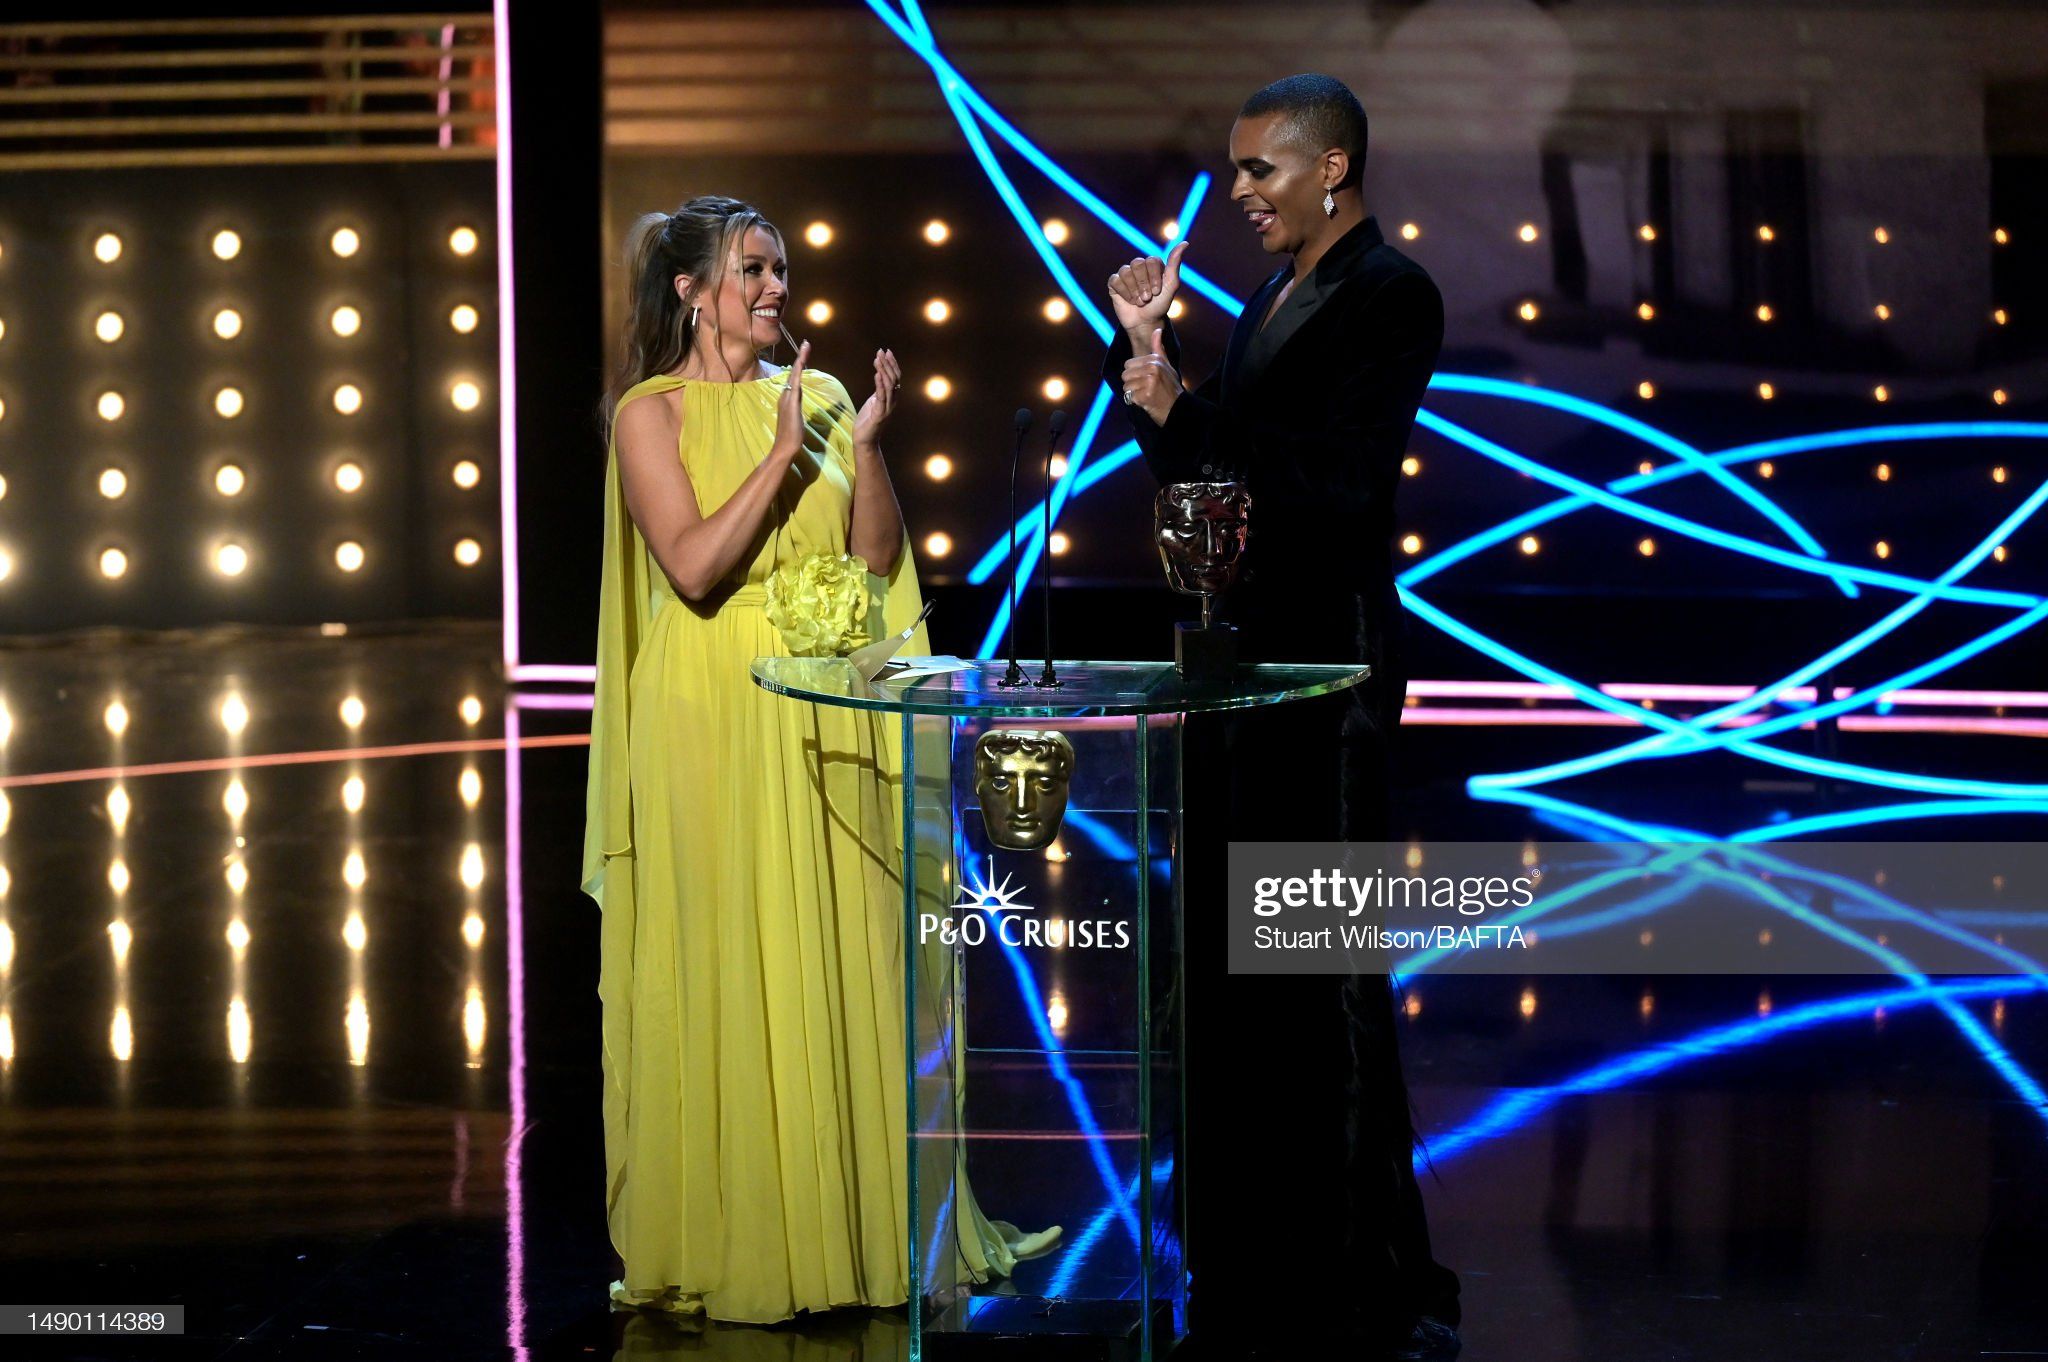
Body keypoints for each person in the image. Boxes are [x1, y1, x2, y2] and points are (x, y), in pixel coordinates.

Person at [582, 195, 1047, 1325]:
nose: (775, 288)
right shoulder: (649, 413)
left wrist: (863, 446)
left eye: (779, 269)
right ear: (691, 290)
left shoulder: (827, 395)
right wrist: (781, 451)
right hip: (712, 714)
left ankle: (861, 1235)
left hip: (827, 704)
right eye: (751, 269)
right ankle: (744, 1237)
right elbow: (693, 567)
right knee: (737, 960)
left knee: (847, 955)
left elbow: (873, 559)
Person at [1102, 77, 1461, 1359]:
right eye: (1237, 168)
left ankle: (1368, 1277)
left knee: (1327, 975)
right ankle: (1257, 1253)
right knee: (1238, 973)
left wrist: (1186, 410)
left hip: (1332, 680)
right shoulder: (1267, 297)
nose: (1239, 190)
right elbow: (1216, 483)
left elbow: (1337, 483)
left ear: (1333, 168)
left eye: (1260, 169)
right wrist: (1151, 366)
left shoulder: (1389, 295)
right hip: (1243, 671)